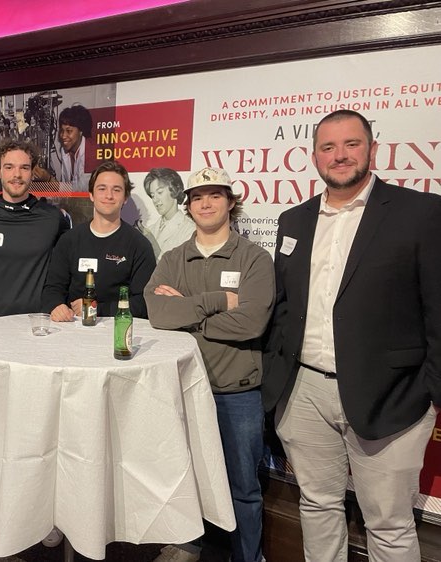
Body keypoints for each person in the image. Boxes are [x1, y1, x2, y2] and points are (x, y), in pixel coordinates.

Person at [262, 109, 441, 562]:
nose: (339, 155)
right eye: (328, 147)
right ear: (314, 157)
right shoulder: (293, 220)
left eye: (351, 144)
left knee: (389, 523)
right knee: (317, 505)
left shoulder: (420, 213)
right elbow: (285, 306)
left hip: (392, 398)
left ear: (372, 150)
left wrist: (433, 392)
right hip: (303, 393)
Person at [145, 167, 274, 562]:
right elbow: (157, 313)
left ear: (231, 202)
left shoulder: (254, 258)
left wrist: (186, 312)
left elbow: (252, 321)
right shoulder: (173, 257)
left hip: (236, 393)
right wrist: (218, 301)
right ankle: (189, 547)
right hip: (181, 388)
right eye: (198, 196)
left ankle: (247, 557)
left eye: (215, 195)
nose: (206, 203)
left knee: (243, 488)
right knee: (184, 481)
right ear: (188, 206)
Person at [0, 139, 70, 319]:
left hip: (38, 325)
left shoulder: (53, 219)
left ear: (32, 173)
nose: (17, 174)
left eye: (24, 168)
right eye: (9, 167)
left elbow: (65, 270)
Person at [42, 160, 155, 321]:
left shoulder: (139, 245)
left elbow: (144, 302)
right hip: (72, 329)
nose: (109, 196)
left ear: (125, 198)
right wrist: (56, 305)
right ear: (91, 194)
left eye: (116, 190)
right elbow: (52, 289)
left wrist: (95, 308)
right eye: (102, 189)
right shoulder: (69, 240)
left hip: (116, 330)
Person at [136, 167, 195, 259]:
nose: (155, 200)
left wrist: (153, 244)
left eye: (160, 192)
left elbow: (179, 268)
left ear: (174, 190)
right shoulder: (150, 229)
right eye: (152, 195)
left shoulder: (190, 230)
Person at [56, 104, 92, 191]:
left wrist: (49, 180)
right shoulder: (64, 150)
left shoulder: (91, 152)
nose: (63, 136)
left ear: (81, 130)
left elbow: (82, 190)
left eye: (69, 131)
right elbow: (65, 182)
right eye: (62, 130)